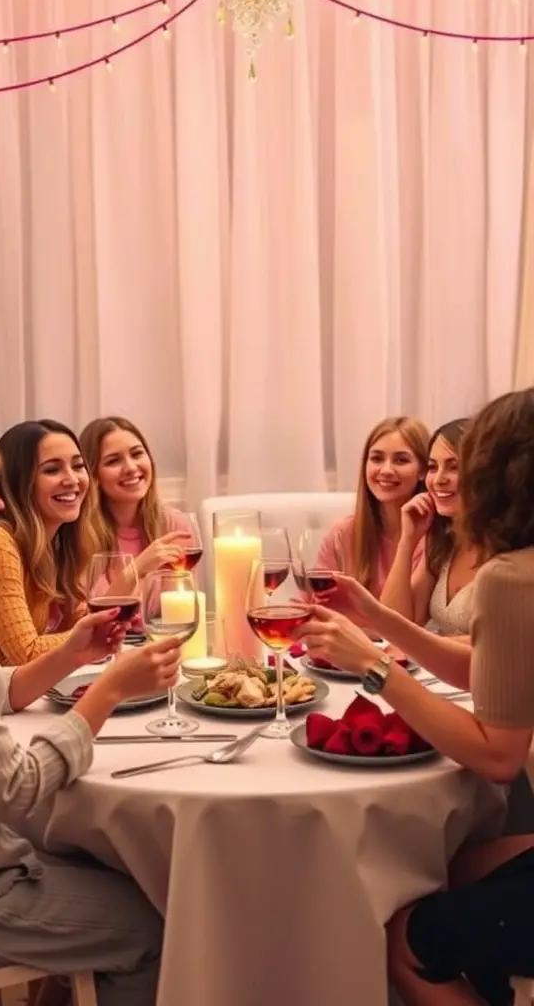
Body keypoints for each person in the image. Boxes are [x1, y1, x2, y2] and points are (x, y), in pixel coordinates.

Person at [297, 388, 534, 1006]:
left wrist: (375, 666)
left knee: (397, 930)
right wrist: (380, 618)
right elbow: (490, 668)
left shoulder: (512, 577)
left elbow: (497, 757)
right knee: (433, 875)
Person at [0, 418, 183, 1005]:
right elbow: (12, 791)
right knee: (161, 927)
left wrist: (79, 651)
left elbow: (2, 687)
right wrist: (107, 690)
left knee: (101, 860)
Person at [0, 420, 97, 665]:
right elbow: (26, 653)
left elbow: (78, 619)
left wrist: (96, 626)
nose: (72, 479)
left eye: (78, 466)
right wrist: (94, 631)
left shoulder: (58, 541)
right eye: (52, 470)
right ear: (19, 483)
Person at [316, 416, 430, 602]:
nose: (386, 470)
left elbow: (401, 621)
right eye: (377, 458)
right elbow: (307, 604)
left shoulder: (435, 540)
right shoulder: (342, 534)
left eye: (401, 460)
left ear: (423, 471)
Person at [381, 419, 477, 635]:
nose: (438, 479)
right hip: (432, 668)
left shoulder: (510, 549)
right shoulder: (445, 540)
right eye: (433, 467)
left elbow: (491, 647)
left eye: (454, 467)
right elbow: (394, 625)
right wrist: (408, 541)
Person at [80, 416, 195, 578]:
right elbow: (90, 603)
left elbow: (185, 596)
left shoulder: (174, 525)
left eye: (137, 454)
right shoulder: (81, 536)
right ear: (93, 475)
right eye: (113, 461)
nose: (131, 467)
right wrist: (139, 567)